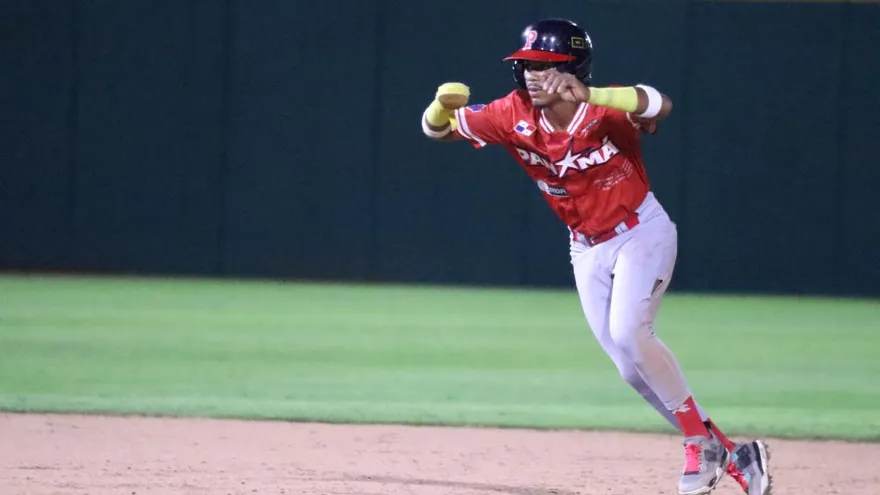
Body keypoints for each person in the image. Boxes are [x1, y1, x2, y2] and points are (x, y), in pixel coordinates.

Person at [420, 18, 772, 495]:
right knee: (631, 368)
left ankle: (697, 441)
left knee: (631, 332)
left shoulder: (603, 110)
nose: (530, 75)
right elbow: (435, 131)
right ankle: (734, 455)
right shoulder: (511, 113)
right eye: (525, 65)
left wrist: (596, 94)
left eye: (544, 67)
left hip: (640, 233)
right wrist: (441, 107)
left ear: (573, 69)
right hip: (584, 249)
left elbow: (658, 103)